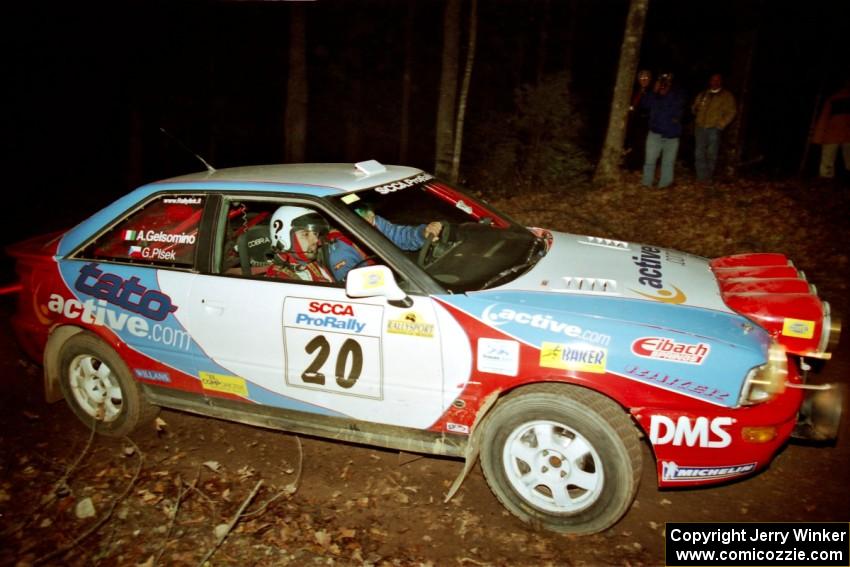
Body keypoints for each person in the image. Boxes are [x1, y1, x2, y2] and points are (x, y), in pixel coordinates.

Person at [327, 205, 442, 281]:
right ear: (348, 222)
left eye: (369, 211)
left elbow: (399, 235)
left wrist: (422, 233)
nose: (372, 216)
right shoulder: (340, 252)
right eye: (363, 214)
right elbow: (352, 287)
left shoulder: (374, 223)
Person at [640, 72, 686, 188]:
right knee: (650, 161)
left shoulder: (677, 93)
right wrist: (654, 92)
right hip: (655, 133)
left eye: (667, 81)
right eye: (662, 81)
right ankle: (646, 184)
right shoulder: (654, 95)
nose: (664, 84)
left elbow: (679, 108)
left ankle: (665, 184)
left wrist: (666, 93)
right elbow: (644, 105)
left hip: (672, 135)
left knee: (668, 162)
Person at [266, 206, 334, 282]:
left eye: (315, 233)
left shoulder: (317, 267)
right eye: (306, 234)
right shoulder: (276, 280)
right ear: (284, 239)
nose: (316, 240)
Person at [692, 73, 737, 183]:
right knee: (699, 153)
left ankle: (708, 177)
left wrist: (721, 124)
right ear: (710, 81)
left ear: (721, 82)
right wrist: (695, 108)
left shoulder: (726, 96)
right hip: (700, 127)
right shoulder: (703, 94)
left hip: (714, 128)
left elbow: (732, 111)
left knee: (711, 153)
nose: (715, 82)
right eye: (713, 80)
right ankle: (701, 178)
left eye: (717, 80)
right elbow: (694, 108)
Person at [813, 79, 850, 180]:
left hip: (834, 135)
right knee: (828, 163)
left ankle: (826, 181)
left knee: (827, 162)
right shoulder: (833, 99)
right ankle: (826, 183)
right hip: (833, 134)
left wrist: (818, 137)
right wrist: (818, 137)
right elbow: (824, 119)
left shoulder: (833, 98)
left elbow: (823, 119)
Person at [625, 69, 653, 171]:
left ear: (650, 79)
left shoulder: (652, 91)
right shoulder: (634, 90)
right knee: (631, 144)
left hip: (646, 122)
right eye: (641, 78)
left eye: (646, 78)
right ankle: (630, 166)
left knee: (643, 145)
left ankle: (640, 167)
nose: (644, 80)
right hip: (633, 122)